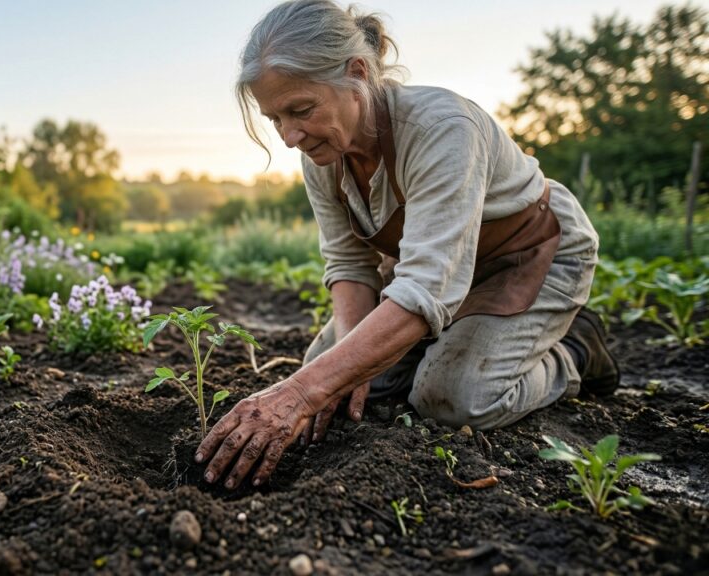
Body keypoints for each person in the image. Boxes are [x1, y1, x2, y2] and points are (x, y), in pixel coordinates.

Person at [195, 0, 620, 490]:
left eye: (301, 110)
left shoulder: (442, 129)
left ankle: (575, 354)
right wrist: (345, 371)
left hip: (527, 257)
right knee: (338, 379)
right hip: (437, 277)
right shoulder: (323, 154)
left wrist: (302, 392)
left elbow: (424, 288)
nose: (290, 136)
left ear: (356, 73)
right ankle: (450, 341)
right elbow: (350, 263)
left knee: (451, 398)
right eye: (274, 119)